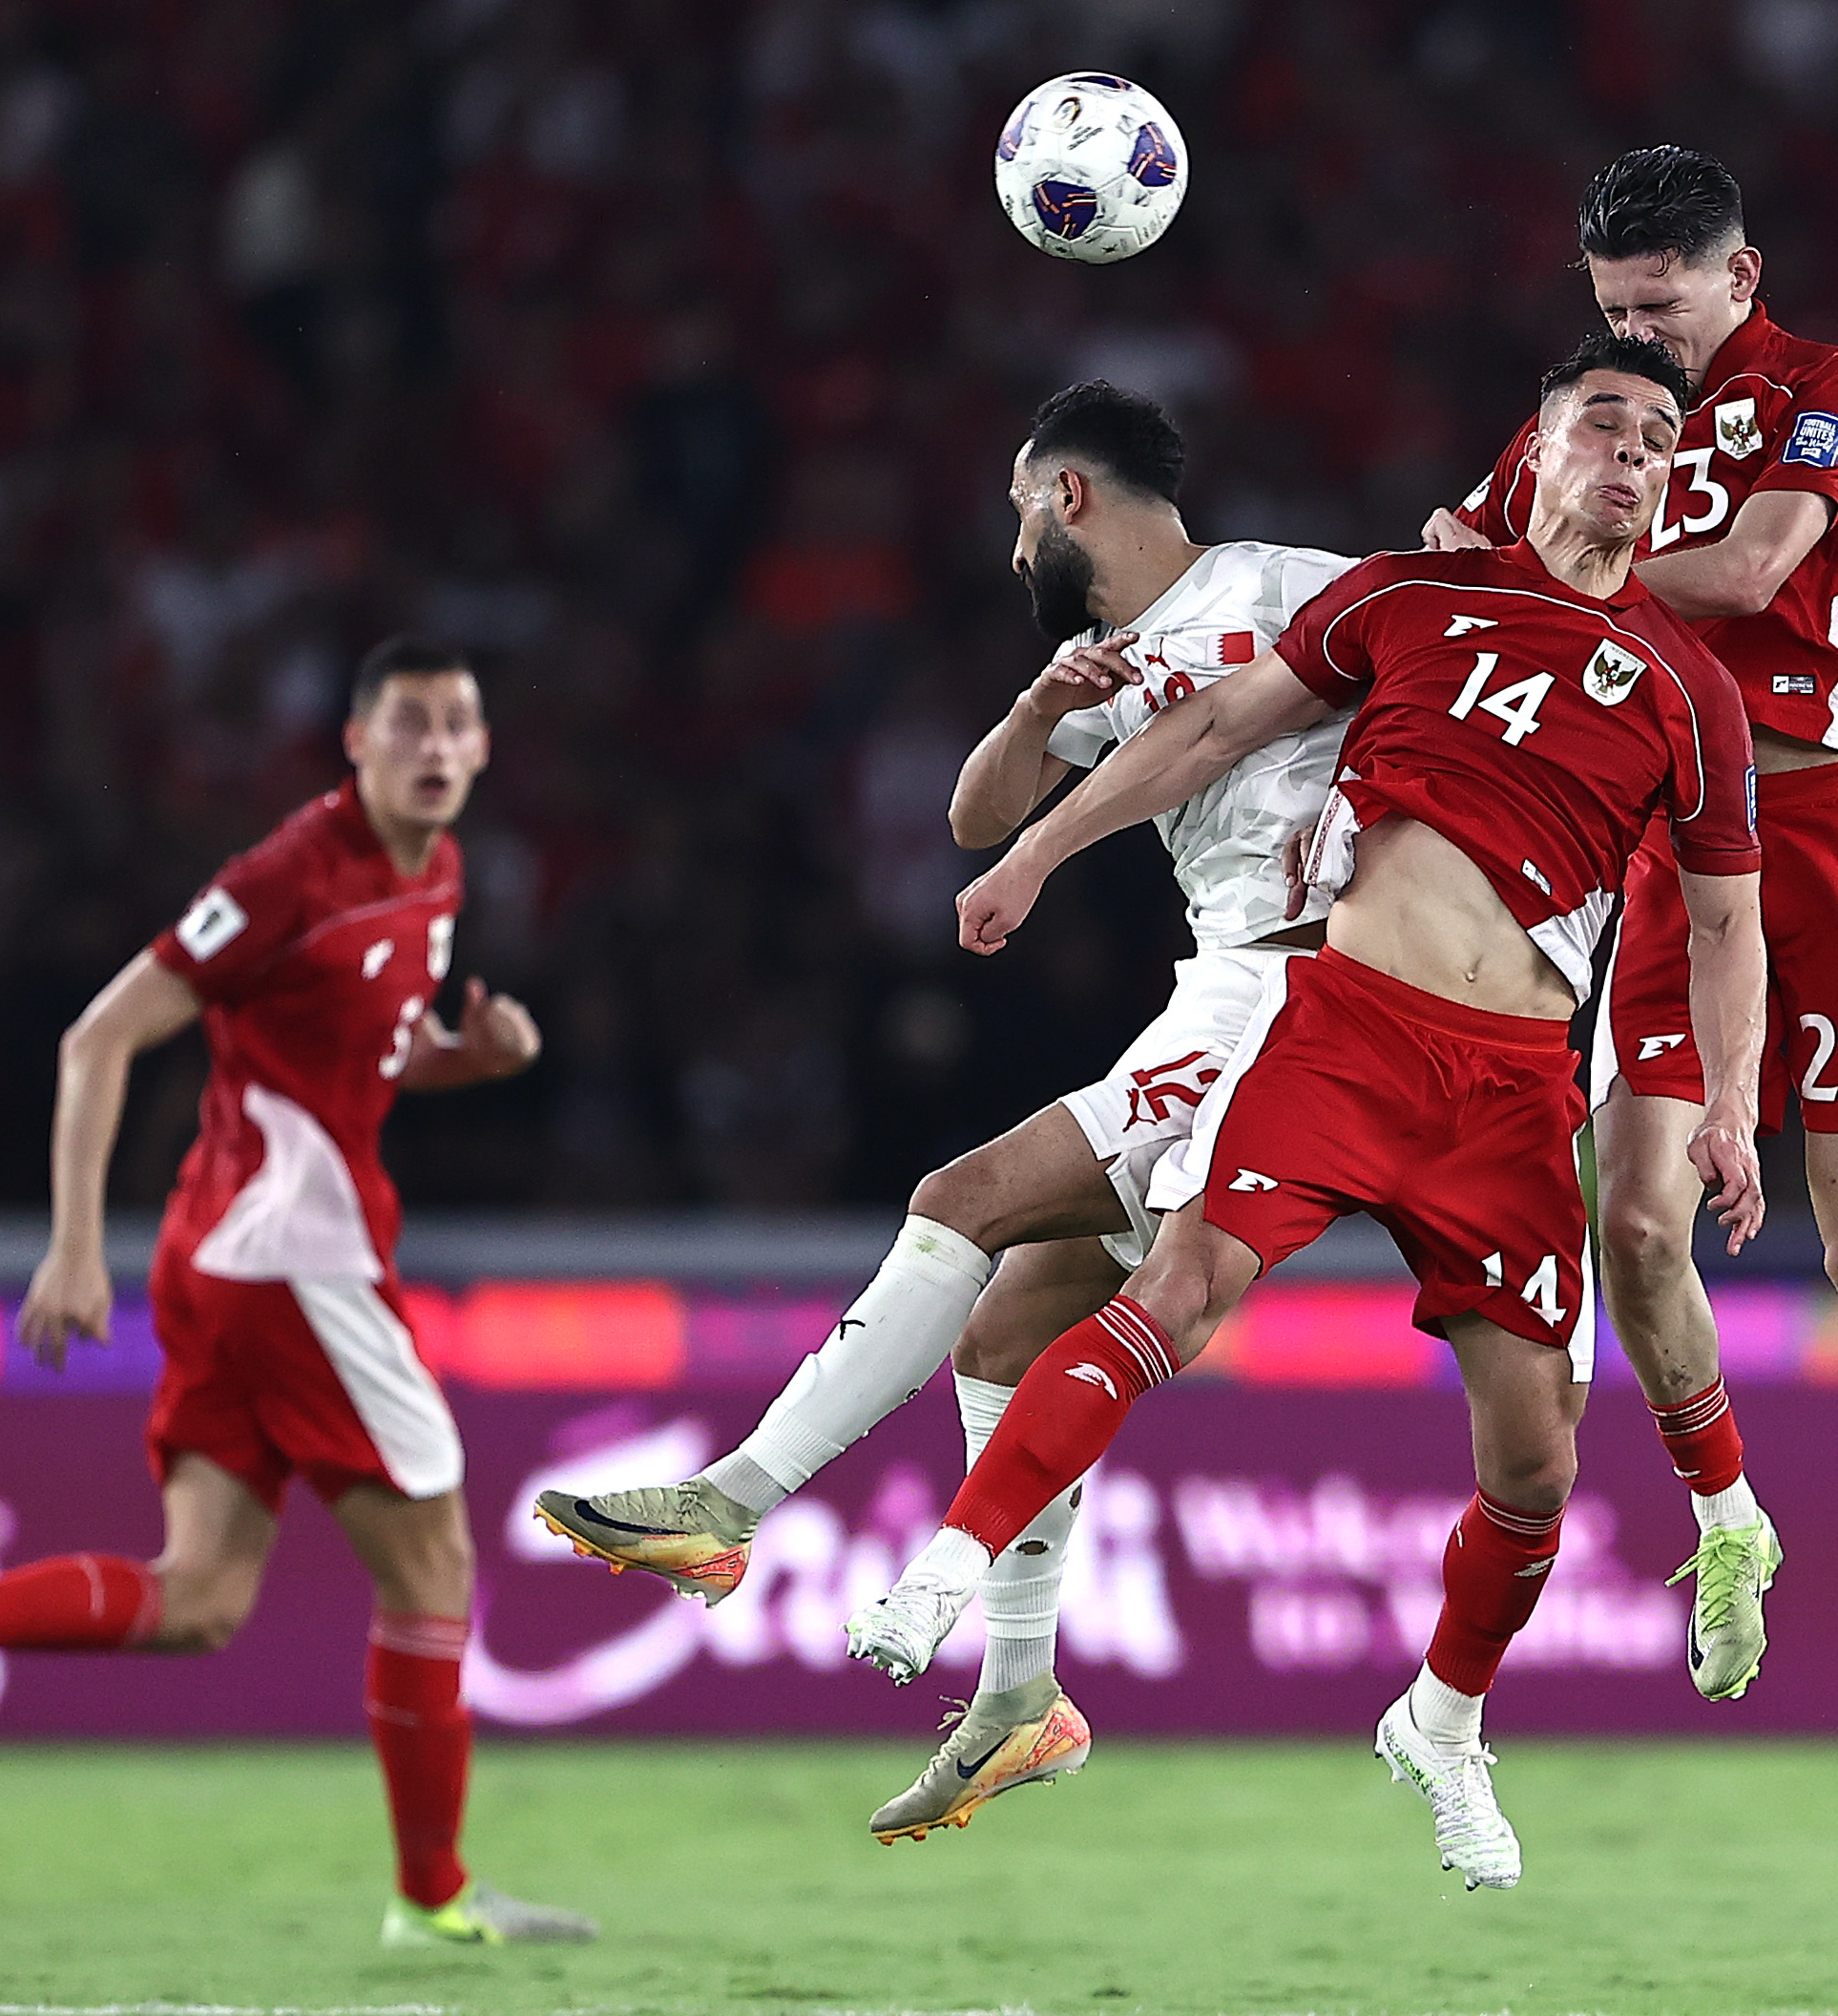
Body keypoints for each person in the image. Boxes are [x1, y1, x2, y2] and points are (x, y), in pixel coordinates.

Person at [847, 336, 1766, 1891]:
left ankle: (1444, 1724)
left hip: (1514, 1094)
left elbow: (1729, 924)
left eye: (1656, 438)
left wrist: (1730, 1106)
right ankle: (943, 1567)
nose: (1630, 453)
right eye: (1598, 424)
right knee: (1177, 1292)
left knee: (1536, 1467)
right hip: (1347, 1029)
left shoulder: (1690, 692)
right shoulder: (1408, 599)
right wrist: (1030, 857)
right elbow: (1205, 734)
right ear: (1533, 455)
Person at [531, 382, 1355, 1843]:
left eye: (1015, 509)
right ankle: (1021, 1697)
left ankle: (731, 1505)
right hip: (1219, 986)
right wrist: (1040, 712)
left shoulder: (1300, 588)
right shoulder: (1100, 668)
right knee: (1004, 1322)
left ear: (1067, 496)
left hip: (1309, 992)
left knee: (959, 1201)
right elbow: (978, 811)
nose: (1010, 541)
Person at [0, 636, 595, 1949]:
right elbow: (97, 1038)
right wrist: (67, 1245)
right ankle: (433, 1894)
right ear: (353, 740)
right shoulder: (284, 877)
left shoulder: (436, 871)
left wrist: (468, 1058)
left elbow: (356, 1065)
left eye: (458, 725)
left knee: (202, 1598)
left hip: (236, 1253)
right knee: (435, 1560)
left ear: (487, 744)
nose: (436, 749)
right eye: (408, 725)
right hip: (292, 1259)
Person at [1426, 145, 1838, 1774]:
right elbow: (1449, 583)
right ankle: (1729, 1524)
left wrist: (1533, 577)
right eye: (1617, 313)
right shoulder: (1576, 427)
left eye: (1668, 307)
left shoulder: (1832, 388)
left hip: (1831, 833)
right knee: (1628, 1225)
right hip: (1664, 846)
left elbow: (1761, 571)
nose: (1647, 345)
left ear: (1739, 280)